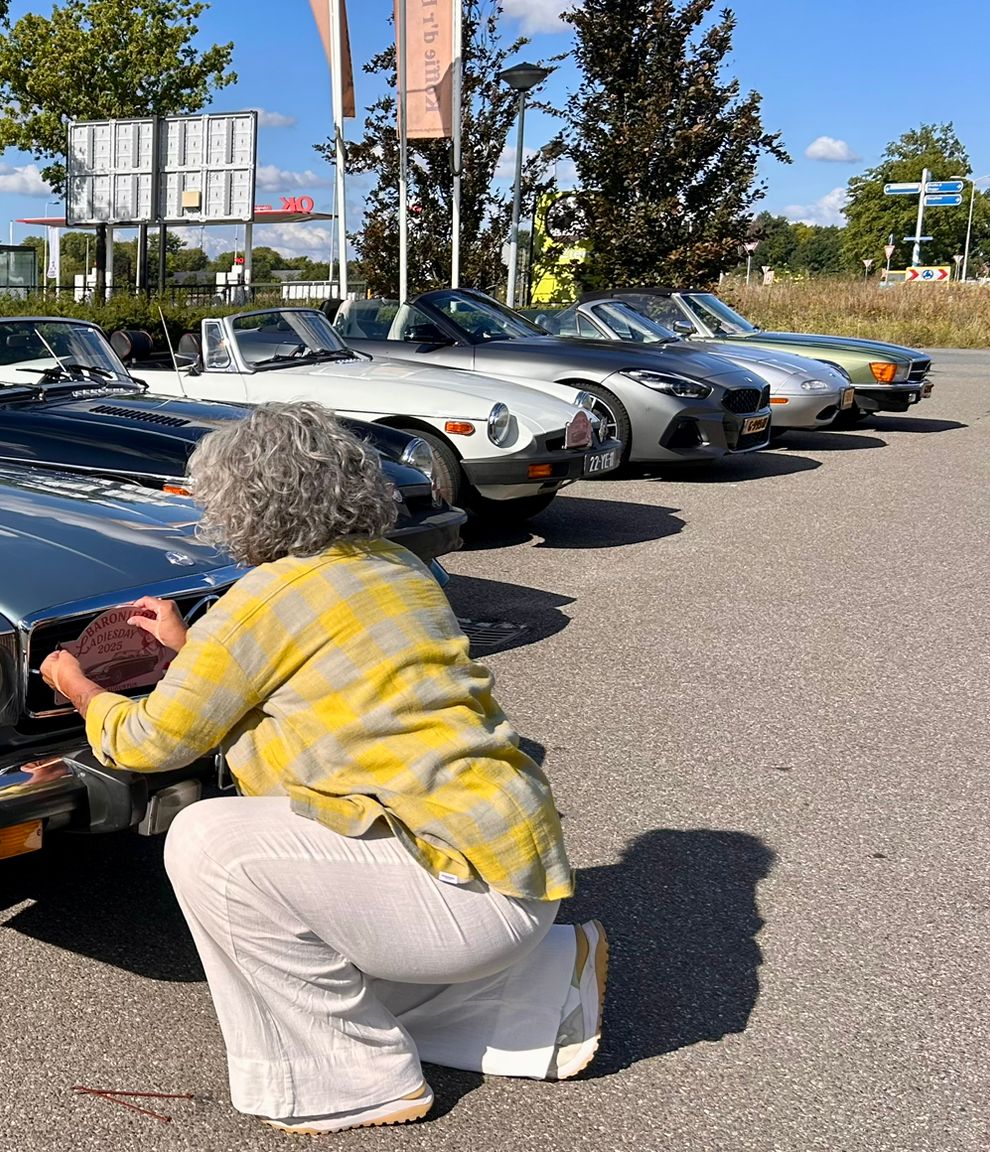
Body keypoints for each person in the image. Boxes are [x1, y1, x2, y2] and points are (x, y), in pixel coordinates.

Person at [40, 402, 605, 1135]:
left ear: (243, 505)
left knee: (210, 844)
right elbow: (302, 671)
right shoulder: (395, 566)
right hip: (513, 869)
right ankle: (532, 995)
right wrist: (194, 650)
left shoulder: (268, 598)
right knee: (290, 870)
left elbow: (151, 742)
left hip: (462, 899)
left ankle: (355, 1080)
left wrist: (78, 686)